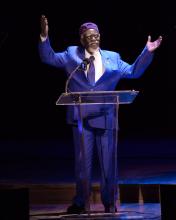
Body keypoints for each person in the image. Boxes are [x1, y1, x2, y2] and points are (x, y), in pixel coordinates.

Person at [38, 15, 162, 214]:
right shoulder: (72, 55)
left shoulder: (113, 57)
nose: (93, 39)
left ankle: (109, 202)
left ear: (100, 37)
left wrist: (146, 53)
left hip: (106, 118)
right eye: (89, 37)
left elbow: (133, 72)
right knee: (82, 166)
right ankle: (80, 202)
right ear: (82, 40)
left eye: (96, 36)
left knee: (108, 165)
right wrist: (44, 37)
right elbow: (49, 57)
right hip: (82, 119)